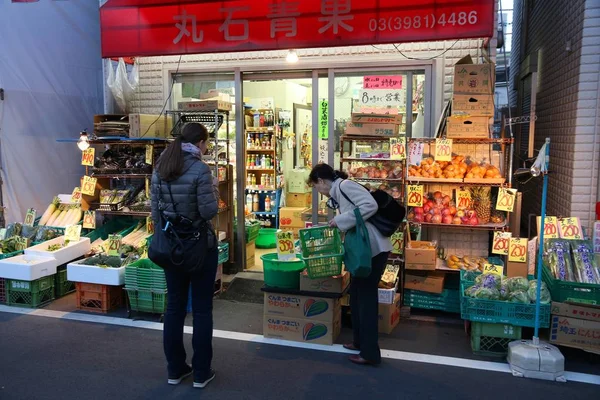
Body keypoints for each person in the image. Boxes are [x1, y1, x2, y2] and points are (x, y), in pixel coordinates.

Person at [151, 122, 219, 388]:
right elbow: (209, 211)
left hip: (171, 247)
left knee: (174, 307)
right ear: (200, 143)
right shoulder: (200, 169)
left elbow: (155, 213)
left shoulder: (161, 167)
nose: (207, 147)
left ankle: (175, 369)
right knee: (202, 310)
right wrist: (212, 187)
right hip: (199, 246)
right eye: (206, 143)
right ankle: (201, 372)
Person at [308, 163, 392, 366]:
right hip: (365, 250)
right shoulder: (338, 192)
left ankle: (370, 353)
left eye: (316, 187)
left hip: (373, 250)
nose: (318, 192)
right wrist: (341, 220)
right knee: (356, 295)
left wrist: (340, 220)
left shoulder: (345, 186)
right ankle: (359, 341)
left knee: (366, 299)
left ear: (321, 181)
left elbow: (369, 205)